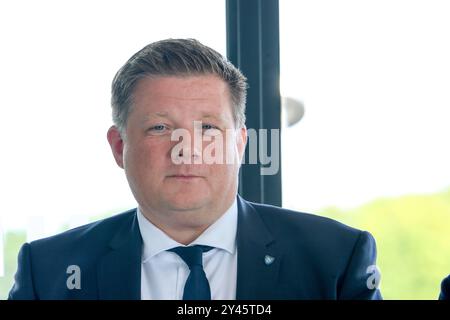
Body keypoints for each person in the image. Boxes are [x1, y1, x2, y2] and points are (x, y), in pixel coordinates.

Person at [8, 38, 382, 300]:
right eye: (160, 128)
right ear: (119, 147)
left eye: (208, 128)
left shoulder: (336, 260)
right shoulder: (48, 273)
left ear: (239, 143)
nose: (186, 150)